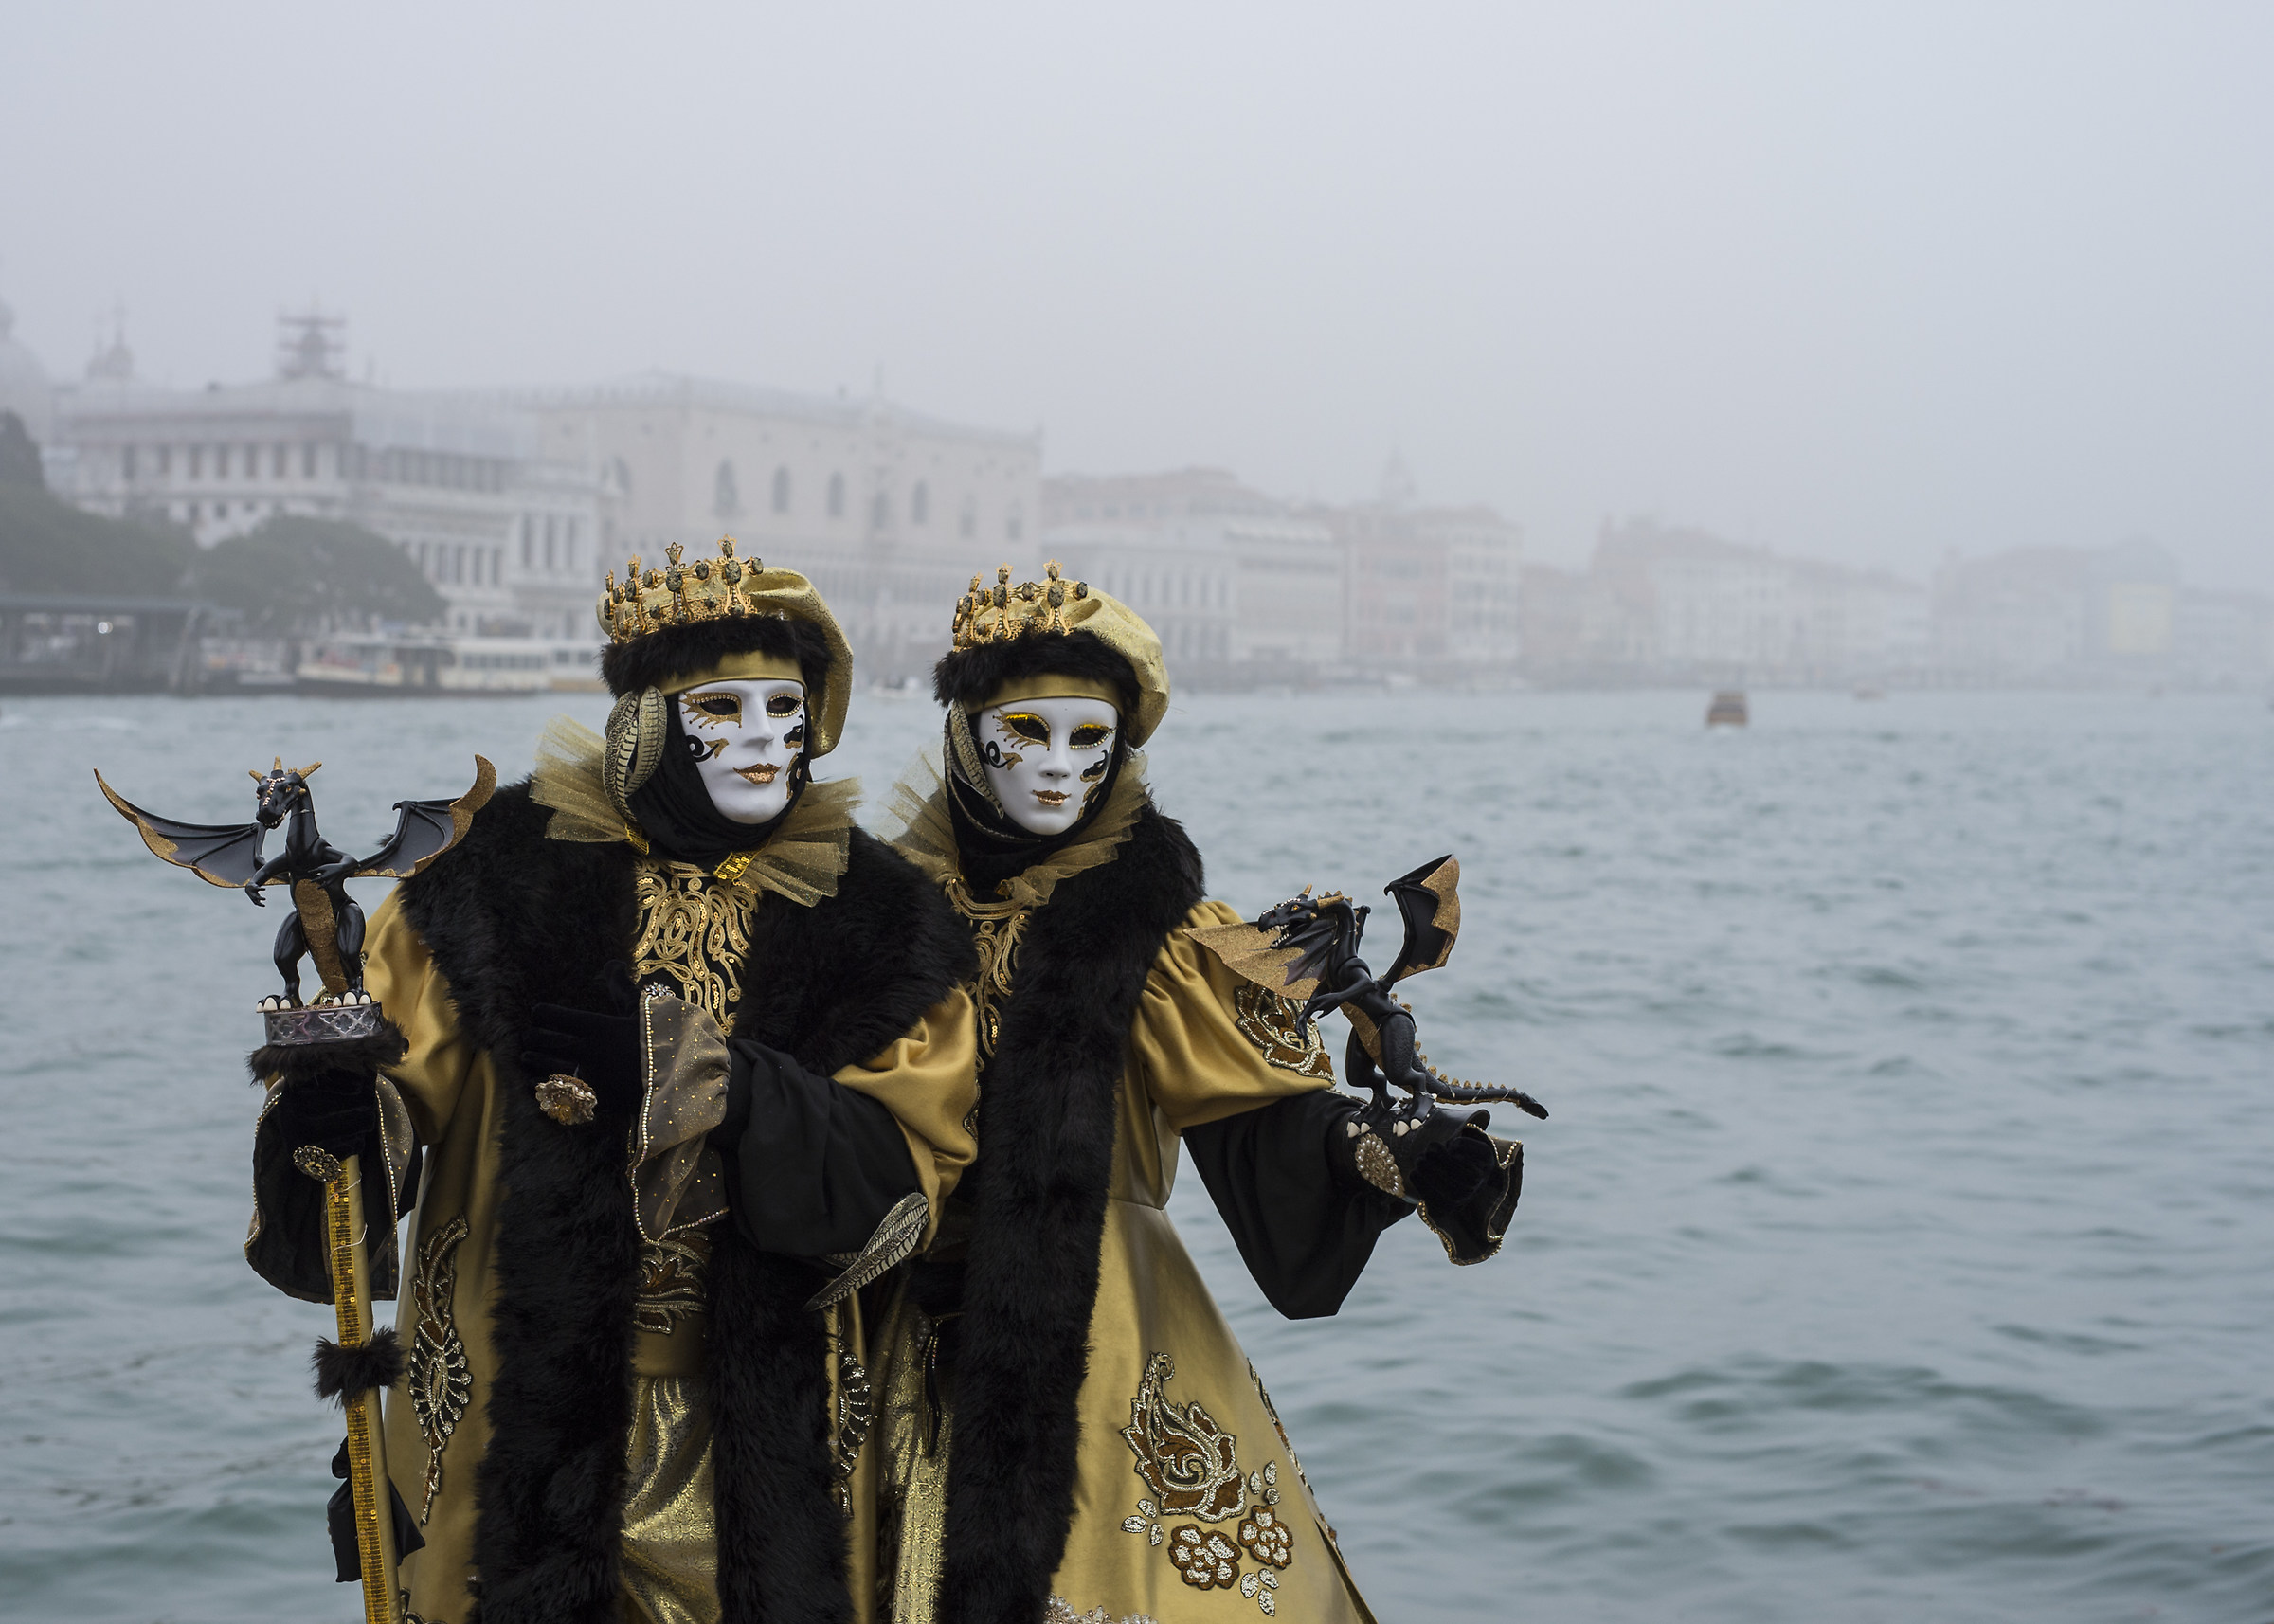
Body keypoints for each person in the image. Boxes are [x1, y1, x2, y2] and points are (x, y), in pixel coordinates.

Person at [248, 541, 979, 1624]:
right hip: (518, 1389)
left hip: (770, 1410)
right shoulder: (495, 883)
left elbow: (912, 1161)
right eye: (721, 707)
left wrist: (711, 1083)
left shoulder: (883, 922)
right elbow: (399, 1086)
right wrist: (339, 1115)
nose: (764, 739)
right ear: (645, 717)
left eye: (787, 707)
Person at [868, 564, 1525, 1624]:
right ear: (965, 733)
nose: (1056, 767)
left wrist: (1386, 1146)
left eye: (1090, 739)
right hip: (894, 1332)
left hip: (1106, 1330)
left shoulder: (1164, 941)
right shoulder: (873, 927)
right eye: (1024, 731)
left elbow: (1261, 1121)